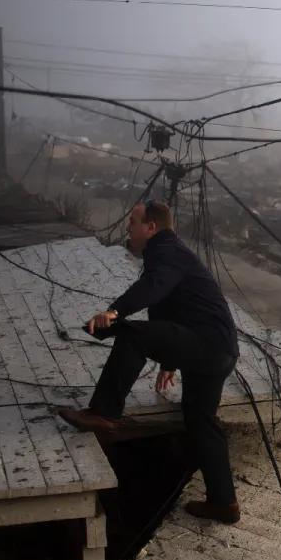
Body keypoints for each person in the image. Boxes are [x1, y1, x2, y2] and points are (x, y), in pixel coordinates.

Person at [59, 200, 241, 524]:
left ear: (151, 228)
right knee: (200, 421)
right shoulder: (172, 255)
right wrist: (170, 359)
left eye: (133, 221)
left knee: (131, 334)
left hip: (207, 344)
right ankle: (224, 503)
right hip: (220, 350)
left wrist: (115, 312)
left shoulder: (166, 251)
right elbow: (164, 307)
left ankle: (104, 413)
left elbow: (152, 288)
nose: (128, 227)